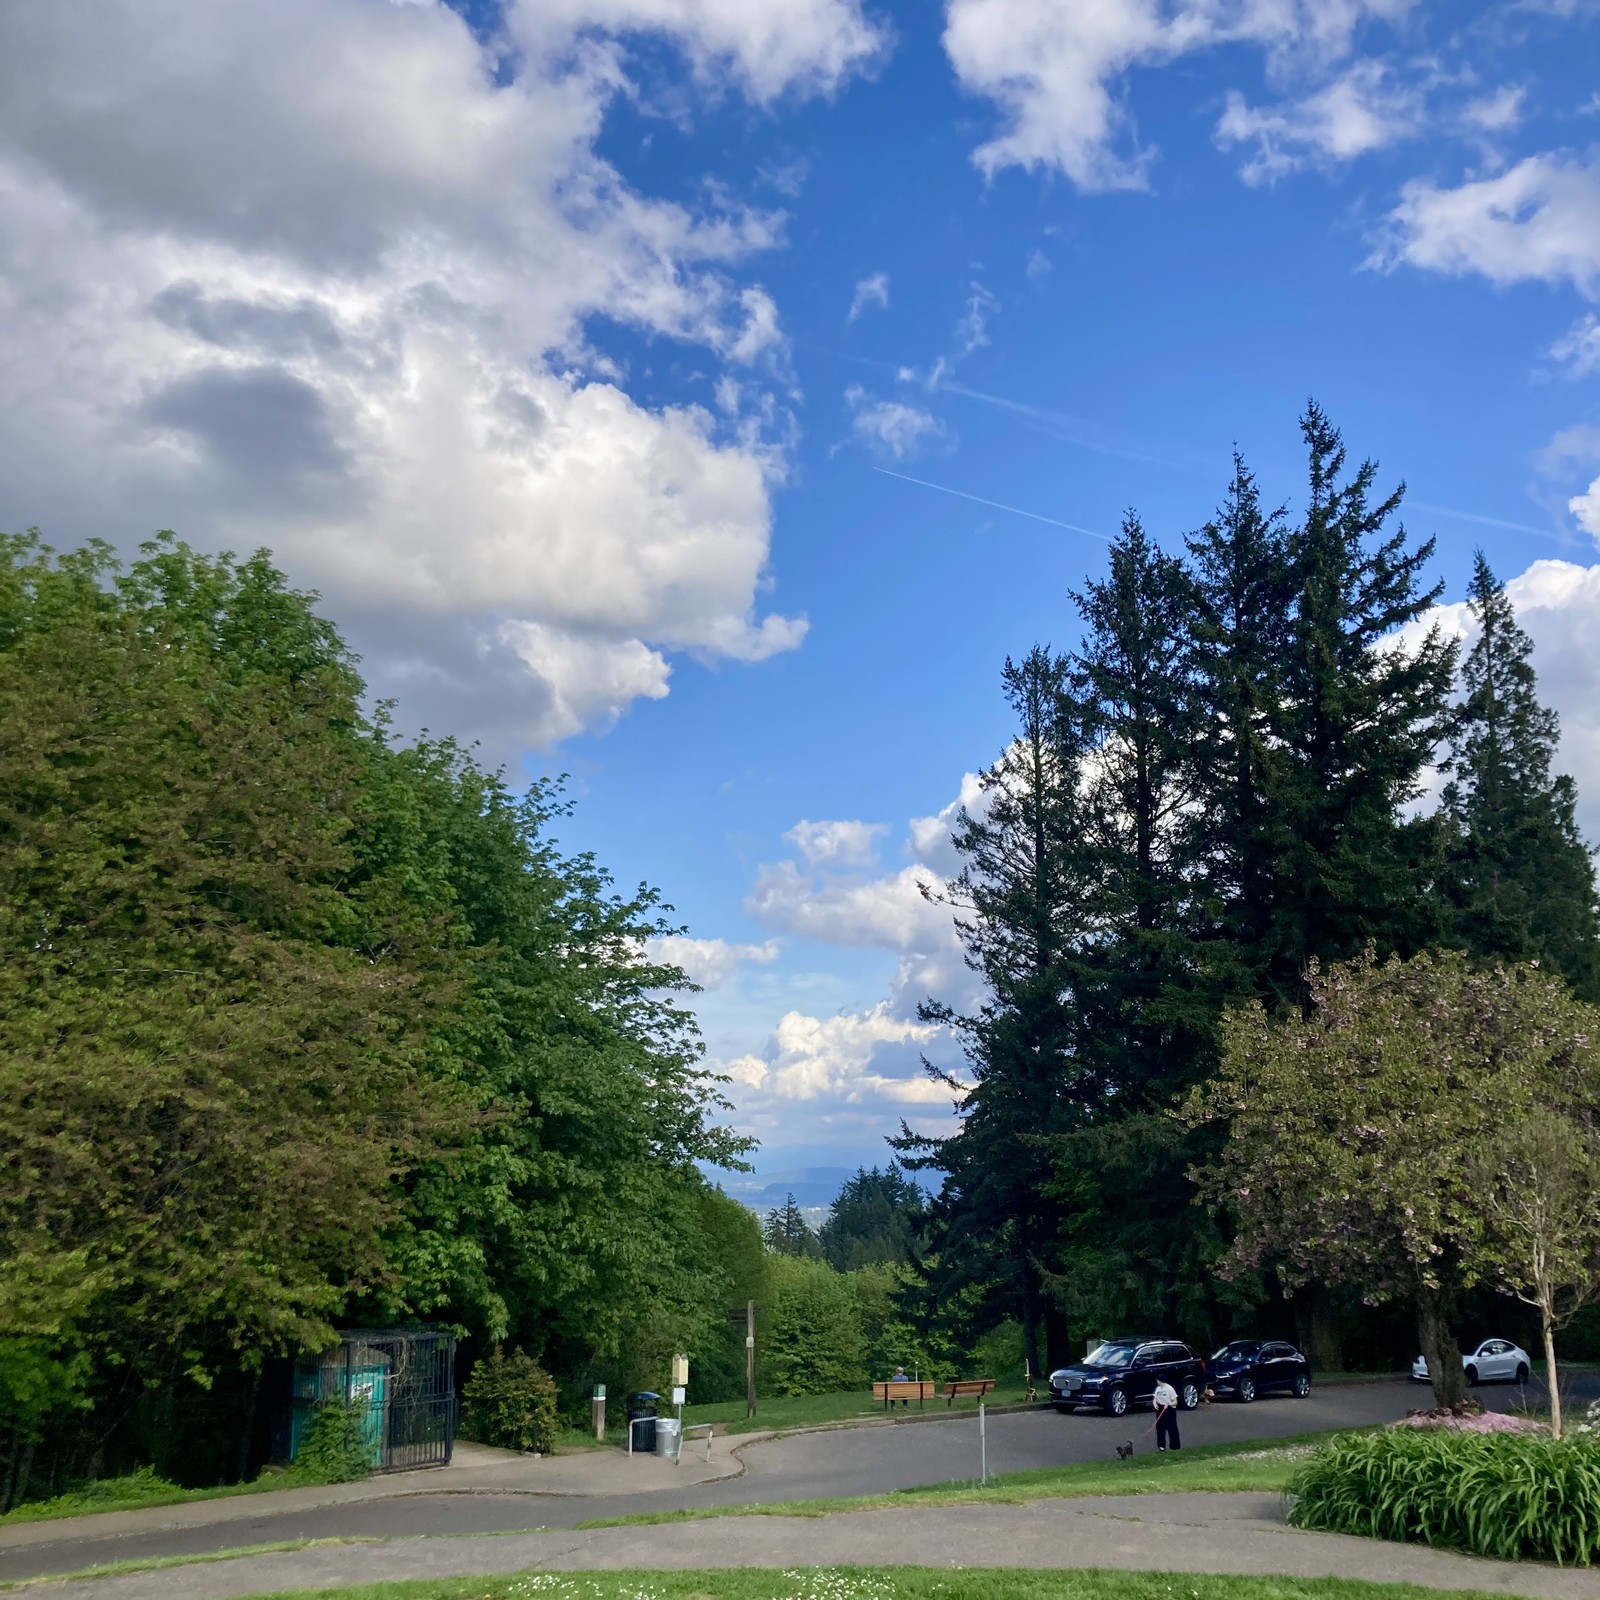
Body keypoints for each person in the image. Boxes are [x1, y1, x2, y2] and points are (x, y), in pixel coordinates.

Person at [1152, 1378, 1181, 1451]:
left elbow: (1175, 1401)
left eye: (1157, 1380)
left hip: (1169, 1410)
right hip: (1160, 1409)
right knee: (1160, 1428)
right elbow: (1155, 1398)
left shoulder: (1170, 1388)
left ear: (1160, 1380)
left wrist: (1169, 1404)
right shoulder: (1158, 1388)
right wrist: (1154, 1403)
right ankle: (1161, 1447)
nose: (1157, 1381)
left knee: (1172, 1428)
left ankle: (1175, 1446)